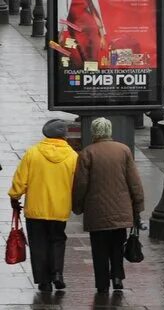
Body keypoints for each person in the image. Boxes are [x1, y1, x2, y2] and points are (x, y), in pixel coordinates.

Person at [72, 118, 144, 294]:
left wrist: (77, 206)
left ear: (93, 132)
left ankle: (102, 284)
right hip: (120, 209)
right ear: (110, 131)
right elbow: (134, 181)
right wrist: (138, 203)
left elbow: (81, 184)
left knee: (99, 249)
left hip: (96, 211)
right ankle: (118, 278)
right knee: (117, 246)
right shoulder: (123, 150)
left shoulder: (87, 153)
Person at [8, 119, 77, 293]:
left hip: (36, 209)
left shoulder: (33, 153)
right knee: (57, 240)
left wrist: (14, 196)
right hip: (59, 209)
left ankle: (43, 281)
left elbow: (20, 180)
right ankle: (57, 274)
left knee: (38, 244)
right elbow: (78, 184)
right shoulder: (73, 156)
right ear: (64, 135)